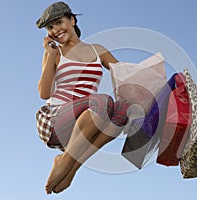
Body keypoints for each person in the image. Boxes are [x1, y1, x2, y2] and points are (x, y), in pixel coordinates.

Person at [35, 2, 129, 194]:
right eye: (50, 27)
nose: (55, 30)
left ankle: (72, 167)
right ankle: (64, 161)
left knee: (122, 112)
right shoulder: (55, 52)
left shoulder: (97, 50)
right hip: (54, 119)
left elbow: (125, 73)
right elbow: (44, 93)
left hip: (84, 124)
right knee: (102, 101)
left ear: (72, 20)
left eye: (59, 22)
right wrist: (51, 54)